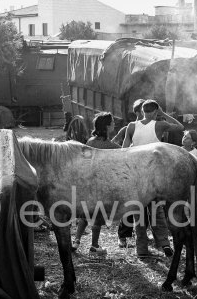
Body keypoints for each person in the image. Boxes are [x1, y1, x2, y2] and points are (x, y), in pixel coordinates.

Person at [123, 99, 184, 258]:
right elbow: (180, 127)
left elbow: (124, 151)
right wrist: (164, 114)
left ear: (142, 111)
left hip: (137, 176)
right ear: (156, 111)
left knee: (139, 215)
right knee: (157, 212)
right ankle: (164, 244)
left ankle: (142, 249)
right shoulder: (160, 125)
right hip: (154, 176)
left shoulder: (131, 126)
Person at [72, 112, 119, 255]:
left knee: (86, 213)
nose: (114, 124)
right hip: (102, 185)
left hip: (88, 183)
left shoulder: (90, 142)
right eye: (112, 122)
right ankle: (94, 246)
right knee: (98, 215)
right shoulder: (112, 146)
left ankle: (76, 240)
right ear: (107, 126)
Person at [112, 99, 146, 247]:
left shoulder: (152, 127)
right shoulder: (129, 128)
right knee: (129, 205)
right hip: (130, 170)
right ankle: (123, 236)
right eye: (144, 111)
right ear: (137, 112)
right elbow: (113, 144)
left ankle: (142, 234)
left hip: (145, 170)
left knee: (145, 204)